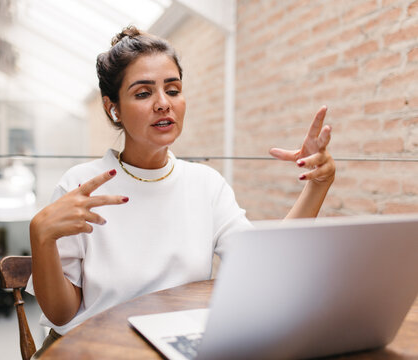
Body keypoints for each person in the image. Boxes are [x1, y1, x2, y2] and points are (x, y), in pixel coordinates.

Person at [26, 25, 335, 358]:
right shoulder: (80, 185)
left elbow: (263, 264)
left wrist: (317, 186)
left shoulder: (205, 183)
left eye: (172, 90)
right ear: (112, 107)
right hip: (94, 351)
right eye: (143, 93)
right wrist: (40, 237)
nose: (163, 104)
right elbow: (62, 314)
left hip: (178, 349)